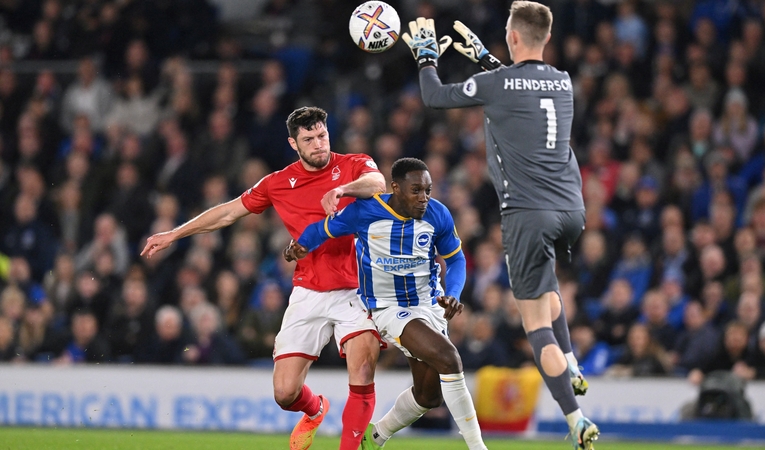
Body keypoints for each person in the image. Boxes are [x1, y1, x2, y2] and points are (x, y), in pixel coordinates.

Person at [401, 3, 598, 448]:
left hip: (528, 213)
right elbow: (523, 90)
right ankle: (572, 360)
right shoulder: (563, 81)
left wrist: (427, 56)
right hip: (572, 208)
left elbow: (435, 95)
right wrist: (488, 61)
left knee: (534, 325)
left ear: (512, 36)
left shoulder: (498, 83)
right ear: (544, 38)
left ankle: (576, 418)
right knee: (548, 291)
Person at [141, 106, 386, 450]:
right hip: (309, 291)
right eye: (309, 140)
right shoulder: (277, 183)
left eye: (322, 136)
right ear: (293, 143)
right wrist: (173, 234)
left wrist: (345, 190)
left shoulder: (354, 165)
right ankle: (315, 410)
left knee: (362, 374)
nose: (318, 145)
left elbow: (378, 182)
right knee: (285, 393)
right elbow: (227, 212)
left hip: (358, 289)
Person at [286, 158, 487, 450]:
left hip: (429, 305)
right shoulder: (366, 211)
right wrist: (301, 245)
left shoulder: (437, 214)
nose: (423, 198)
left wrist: (453, 293)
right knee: (449, 358)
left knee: (429, 396)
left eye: (428, 190)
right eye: (416, 190)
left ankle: (375, 436)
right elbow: (321, 230)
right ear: (396, 187)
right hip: (388, 309)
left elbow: (456, 259)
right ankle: (478, 447)